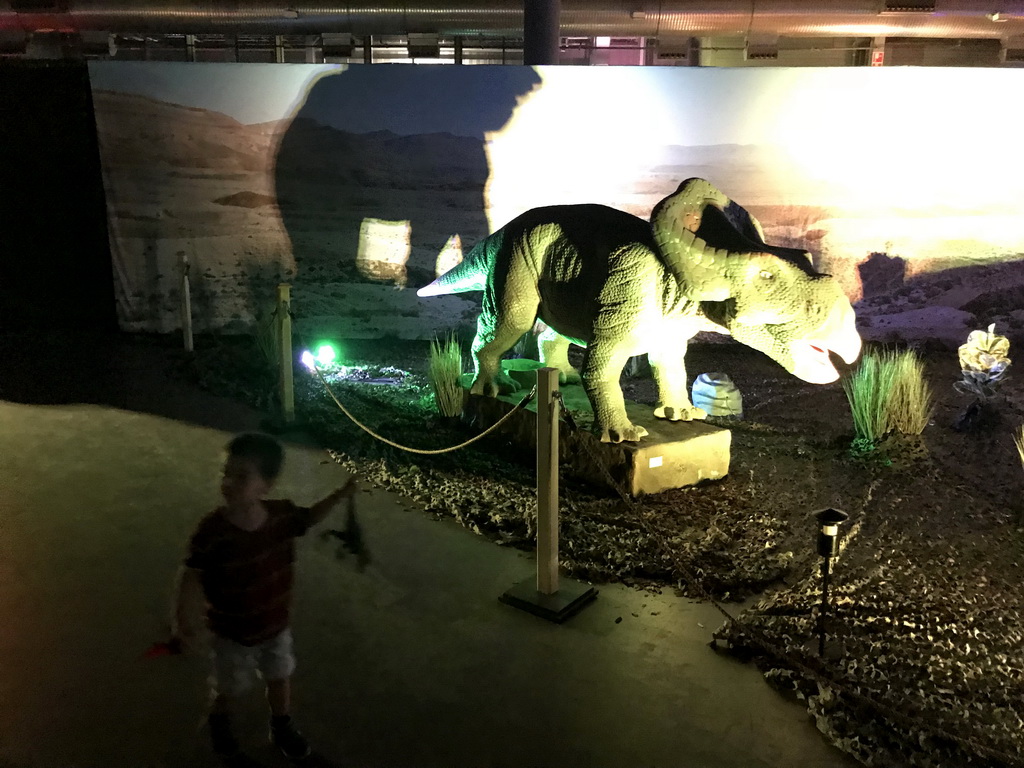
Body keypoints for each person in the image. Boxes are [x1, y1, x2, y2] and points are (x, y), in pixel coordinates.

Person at [171, 432, 357, 761]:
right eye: (226, 473)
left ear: (266, 485)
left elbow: (310, 518)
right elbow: (192, 575)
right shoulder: (212, 532)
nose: (228, 482)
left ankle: (282, 725)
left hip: (275, 626)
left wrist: (340, 495)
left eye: (241, 476)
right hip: (232, 634)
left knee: (280, 675)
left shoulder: (282, 517)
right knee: (231, 685)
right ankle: (219, 718)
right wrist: (184, 621)